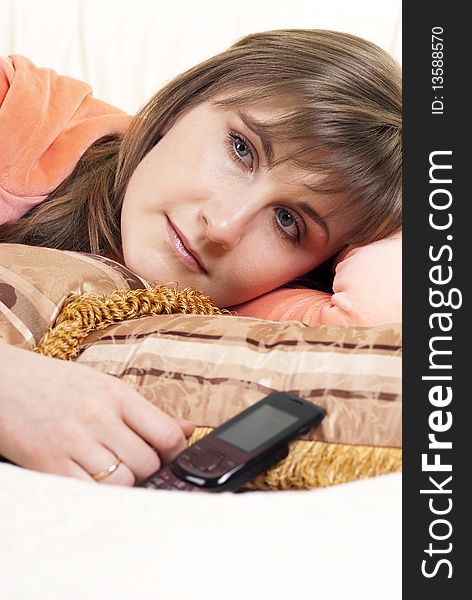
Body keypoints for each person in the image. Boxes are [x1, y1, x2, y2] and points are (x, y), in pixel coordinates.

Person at [0, 29, 402, 486]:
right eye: (242, 149)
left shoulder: (259, 305)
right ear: (186, 102)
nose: (224, 226)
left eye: (288, 222)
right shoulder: (25, 115)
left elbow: (381, 327)